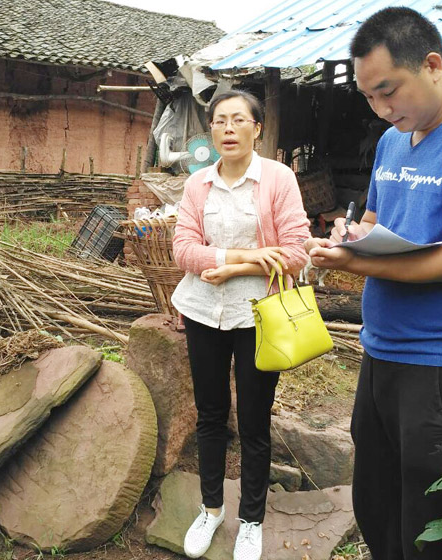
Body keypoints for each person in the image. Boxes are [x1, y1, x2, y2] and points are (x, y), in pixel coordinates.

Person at [304, 8, 442, 559]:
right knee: (377, 510)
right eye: (368, 97)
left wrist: (356, 265)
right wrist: (349, 238)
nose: (381, 109)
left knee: (428, 530)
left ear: (431, 65)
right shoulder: (392, 141)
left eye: (388, 91)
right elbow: (376, 222)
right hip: (382, 352)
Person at [171, 89, 310, 560]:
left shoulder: (278, 179)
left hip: (259, 315)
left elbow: (295, 251)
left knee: (253, 420)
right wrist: (246, 255)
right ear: (211, 131)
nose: (228, 129)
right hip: (202, 312)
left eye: (238, 120)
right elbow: (183, 250)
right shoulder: (198, 184)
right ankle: (211, 509)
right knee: (210, 415)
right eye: (219, 121)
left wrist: (233, 270)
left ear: (257, 128)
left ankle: (251, 519)